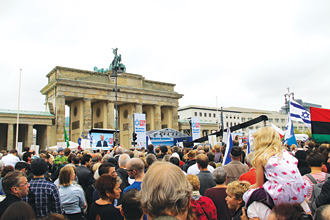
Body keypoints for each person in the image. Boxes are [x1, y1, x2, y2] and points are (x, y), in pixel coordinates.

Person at [243, 127, 309, 206]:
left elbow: (259, 184)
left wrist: (248, 188)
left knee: (247, 195)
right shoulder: (286, 154)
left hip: (280, 194)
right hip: (299, 191)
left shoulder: (261, 158)